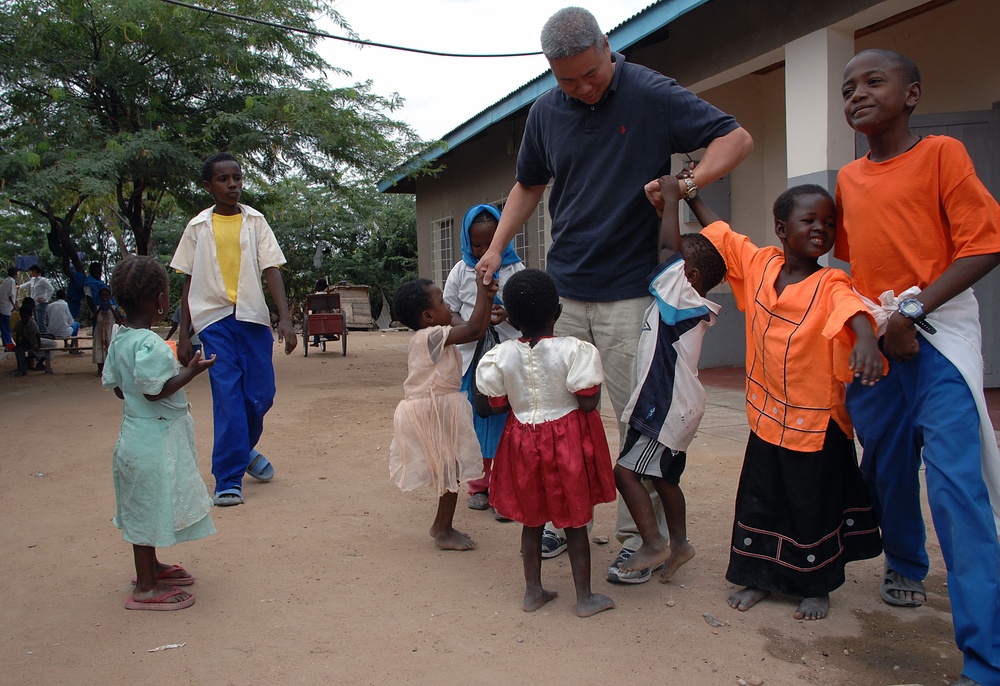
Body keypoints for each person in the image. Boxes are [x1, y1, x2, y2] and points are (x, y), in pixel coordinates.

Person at [476, 6, 753, 582]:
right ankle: (560, 518)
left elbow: (736, 137)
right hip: (565, 291)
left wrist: (687, 184)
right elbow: (528, 184)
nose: (579, 89)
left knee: (637, 423)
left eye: (589, 75)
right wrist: (496, 247)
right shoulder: (546, 112)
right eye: (565, 80)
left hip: (633, 293)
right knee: (551, 411)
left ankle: (639, 536)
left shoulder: (652, 93)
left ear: (607, 47)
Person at [837, 49, 1000, 684]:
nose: (857, 95)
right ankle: (905, 560)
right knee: (883, 463)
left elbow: (984, 244)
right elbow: (853, 268)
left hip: (938, 336)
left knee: (958, 490)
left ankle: (985, 658)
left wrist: (912, 312)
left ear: (912, 94)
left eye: (874, 81)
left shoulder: (942, 156)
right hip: (880, 340)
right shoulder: (849, 179)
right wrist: (873, 332)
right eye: (848, 88)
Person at [679, 182, 883, 620]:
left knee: (812, 503)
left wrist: (866, 339)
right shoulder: (760, 265)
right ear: (780, 228)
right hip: (767, 414)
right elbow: (721, 232)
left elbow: (853, 308)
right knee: (762, 497)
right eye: (809, 220)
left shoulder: (831, 281)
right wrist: (688, 192)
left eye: (829, 223)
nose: (821, 229)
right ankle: (757, 578)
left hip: (816, 422)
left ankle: (816, 585)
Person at [476, 269, 617, 617]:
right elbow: (586, 402)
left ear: (510, 314)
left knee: (532, 519)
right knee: (574, 521)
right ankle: (584, 598)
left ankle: (533, 593)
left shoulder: (500, 356)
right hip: (566, 440)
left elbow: (492, 404)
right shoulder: (575, 351)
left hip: (522, 441)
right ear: (556, 311)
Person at [613, 177, 726, 583]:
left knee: (625, 473)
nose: (665, 262)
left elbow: (665, 250)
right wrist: (666, 211)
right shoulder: (684, 302)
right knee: (662, 476)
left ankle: (652, 543)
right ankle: (679, 544)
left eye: (676, 263)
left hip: (665, 405)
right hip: (678, 404)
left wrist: (674, 198)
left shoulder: (682, 298)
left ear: (689, 275)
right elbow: (668, 250)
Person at [170, 152, 296, 506]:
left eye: (237, 178)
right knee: (227, 396)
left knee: (261, 394)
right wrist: (183, 333)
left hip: (252, 317)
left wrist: (284, 318)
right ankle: (228, 478)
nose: (233, 185)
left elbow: (271, 268)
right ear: (208, 186)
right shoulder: (197, 227)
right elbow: (188, 280)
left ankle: (243, 448)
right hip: (213, 320)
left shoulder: (256, 221)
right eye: (223, 180)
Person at [102, 256, 216, 611]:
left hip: (134, 436)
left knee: (145, 505)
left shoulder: (120, 339)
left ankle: (150, 568)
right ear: (159, 300)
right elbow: (155, 390)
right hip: (153, 442)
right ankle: (146, 587)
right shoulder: (149, 345)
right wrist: (192, 371)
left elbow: (121, 388)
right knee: (147, 508)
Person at [388, 273, 495, 551]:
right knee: (450, 467)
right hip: (433, 408)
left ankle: (441, 525)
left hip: (437, 406)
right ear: (428, 316)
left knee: (450, 467)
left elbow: (478, 330)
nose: (449, 307)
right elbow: (472, 330)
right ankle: (443, 529)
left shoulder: (433, 333)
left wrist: (489, 297)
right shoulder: (432, 336)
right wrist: (482, 291)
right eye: (443, 302)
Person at [443, 204, 524, 517]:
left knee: (505, 424)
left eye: (489, 244)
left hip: (508, 361)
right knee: (476, 424)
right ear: (466, 241)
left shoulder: (514, 269)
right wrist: (466, 326)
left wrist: (508, 315)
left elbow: (528, 311)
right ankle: (479, 485)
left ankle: (503, 489)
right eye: (476, 245)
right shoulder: (461, 271)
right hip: (471, 362)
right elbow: (449, 309)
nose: (481, 251)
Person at [92, 287, 123, 375]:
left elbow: (118, 319)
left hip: (110, 330)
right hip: (99, 331)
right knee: (99, 349)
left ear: (110, 297)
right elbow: (93, 319)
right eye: (102, 295)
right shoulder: (97, 307)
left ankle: (111, 369)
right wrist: (99, 309)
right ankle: (100, 370)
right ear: (99, 297)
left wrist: (111, 309)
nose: (104, 297)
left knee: (110, 349)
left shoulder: (114, 307)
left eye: (106, 295)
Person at [17, 264, 54, 334]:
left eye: (31, 271)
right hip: (34, 303)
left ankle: (46, 335)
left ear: (34, 271)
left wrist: (45, 298)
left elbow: (51, 289)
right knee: (37, 321)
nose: (30, 273)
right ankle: (40, 336)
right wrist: (19, 287)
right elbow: (28, 284)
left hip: (41, 303)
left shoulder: (42, 280)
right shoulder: (33, 279)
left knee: (41, 321)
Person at [1, 267, 16, 350]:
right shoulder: (11, 281)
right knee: (7, 326)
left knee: (4, 327)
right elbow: (11, 295)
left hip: (2, 305)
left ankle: (5, 342)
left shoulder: (5, 281)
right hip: (7, 306)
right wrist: (14, 306)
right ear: (15, 274)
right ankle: (8, 343)